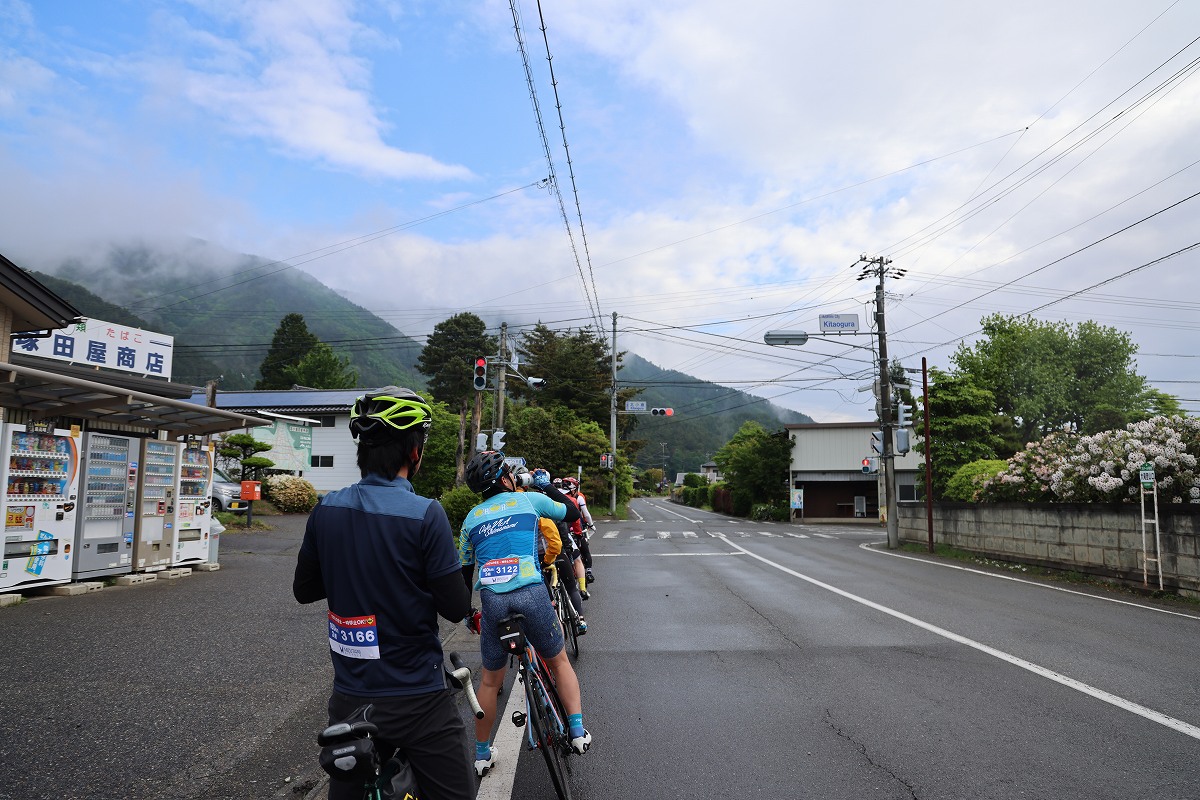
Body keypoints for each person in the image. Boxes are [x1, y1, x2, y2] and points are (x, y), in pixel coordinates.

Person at [293, 387, 475, 800]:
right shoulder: (426, 514)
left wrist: (351, 569)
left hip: (350, 697)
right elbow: (455, 607)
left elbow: (304, 590)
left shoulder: (326, 509)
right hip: (418, 700)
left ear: (363, 449)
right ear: (415, 452)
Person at [459, 451, 593, 778]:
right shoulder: (529, 500)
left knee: (490, 682)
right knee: (558, 661)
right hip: (531, 593)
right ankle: (576, 731)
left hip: (493, 602)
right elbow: (572, 511)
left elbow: (464, 574)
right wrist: (545, 486)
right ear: (507, 479)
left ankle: (481, 754)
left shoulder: (471, 518)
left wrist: (468, 614)